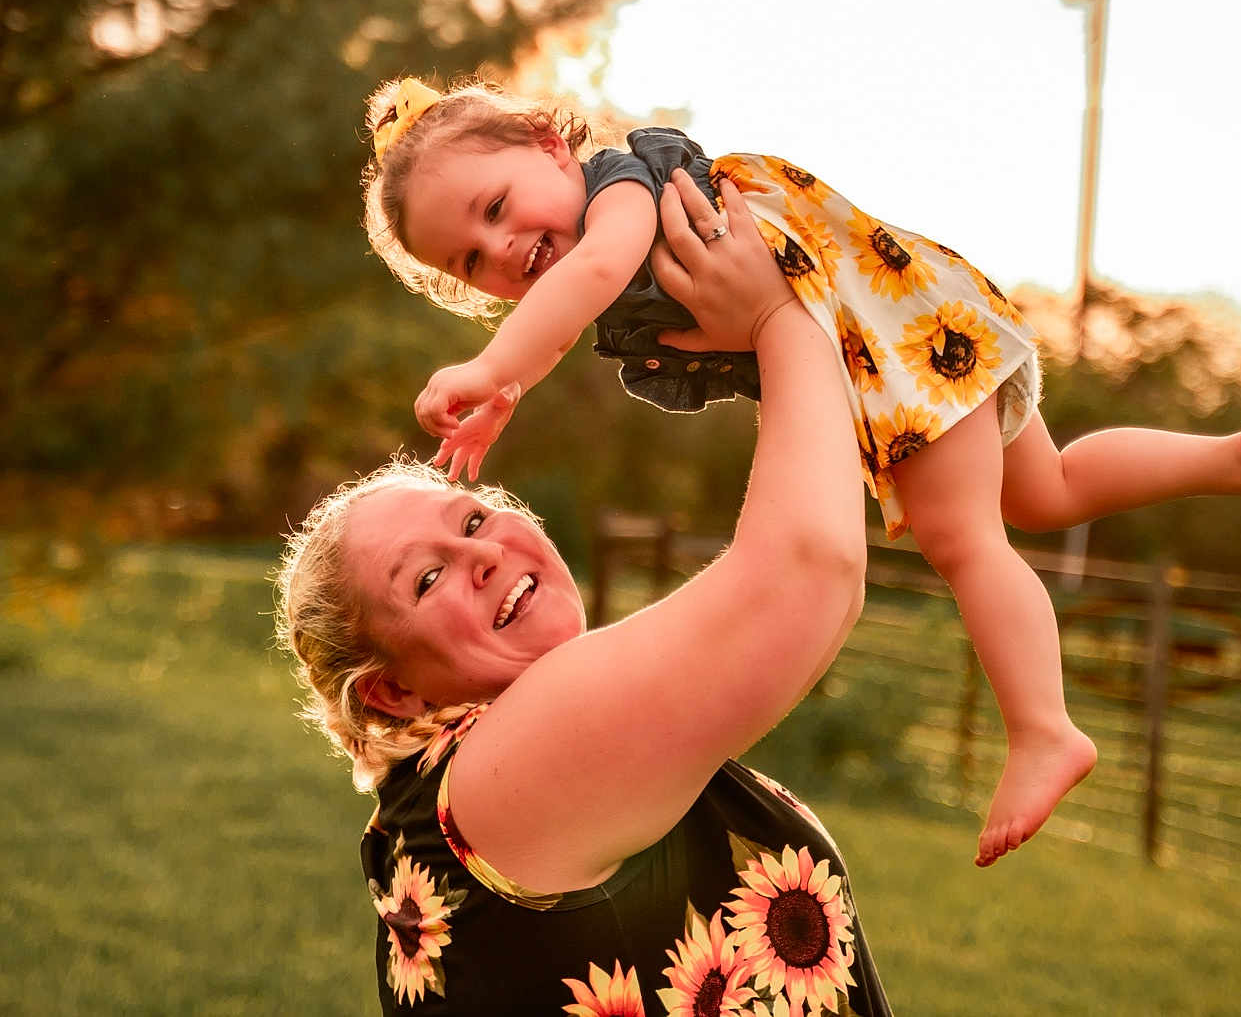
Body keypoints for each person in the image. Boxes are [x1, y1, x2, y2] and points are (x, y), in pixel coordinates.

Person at [361, 75, 1241, 867]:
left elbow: (593, 271)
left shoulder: (621, 192)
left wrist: (496, 368)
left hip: (893, 336)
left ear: (547, 143)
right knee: (1049, 492)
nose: (501, 250)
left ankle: (1044, 727)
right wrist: (510, 388)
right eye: (470, 262)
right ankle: (1235, 459)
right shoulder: (596, 246)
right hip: (912, 313)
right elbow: (578, 298)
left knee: (967, 540)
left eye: (494, 208)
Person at [276, 174, 891, 1015]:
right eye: (425, 578)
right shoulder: (493, 774)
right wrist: (778, 318)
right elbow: (806, 575)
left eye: (475, 517)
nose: (480, 554)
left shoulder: (470, 785)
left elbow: (819, 594)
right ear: (392, 690)